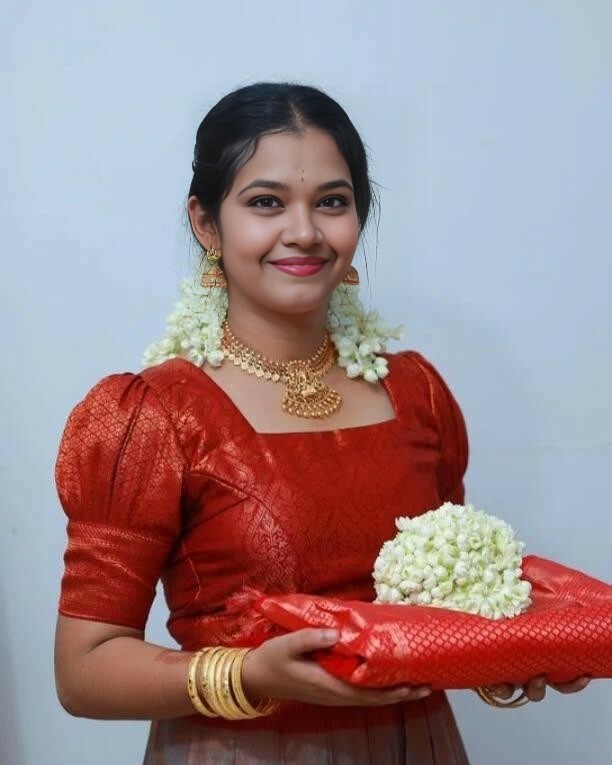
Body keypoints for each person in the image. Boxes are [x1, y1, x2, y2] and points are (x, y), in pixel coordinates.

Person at [54, 82, 589, 765]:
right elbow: (85, 668)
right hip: (241, 750)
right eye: (266, 202)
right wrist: (249, 675)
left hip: (419, 745)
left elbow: (442, 608)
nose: (304, 231)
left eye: (331, 202)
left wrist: (509, 649)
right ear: (207, 224)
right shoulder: (154, 417)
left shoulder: (416, 393)